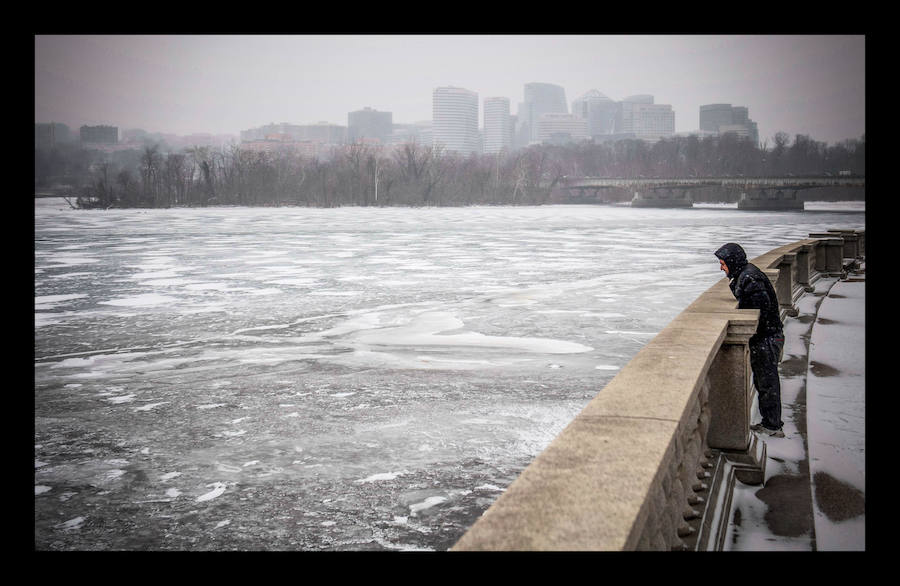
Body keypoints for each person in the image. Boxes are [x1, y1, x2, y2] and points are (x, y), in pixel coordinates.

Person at [715, 243, 786, 438]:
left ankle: (773, 426)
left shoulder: (749, 278)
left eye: (723, 263)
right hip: (767, 337)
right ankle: (771, 423)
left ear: (732, 262)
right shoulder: (745, 274)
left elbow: (758, 312)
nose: (721, 268)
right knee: (765, 382)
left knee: (767, 383)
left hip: (767, 338)